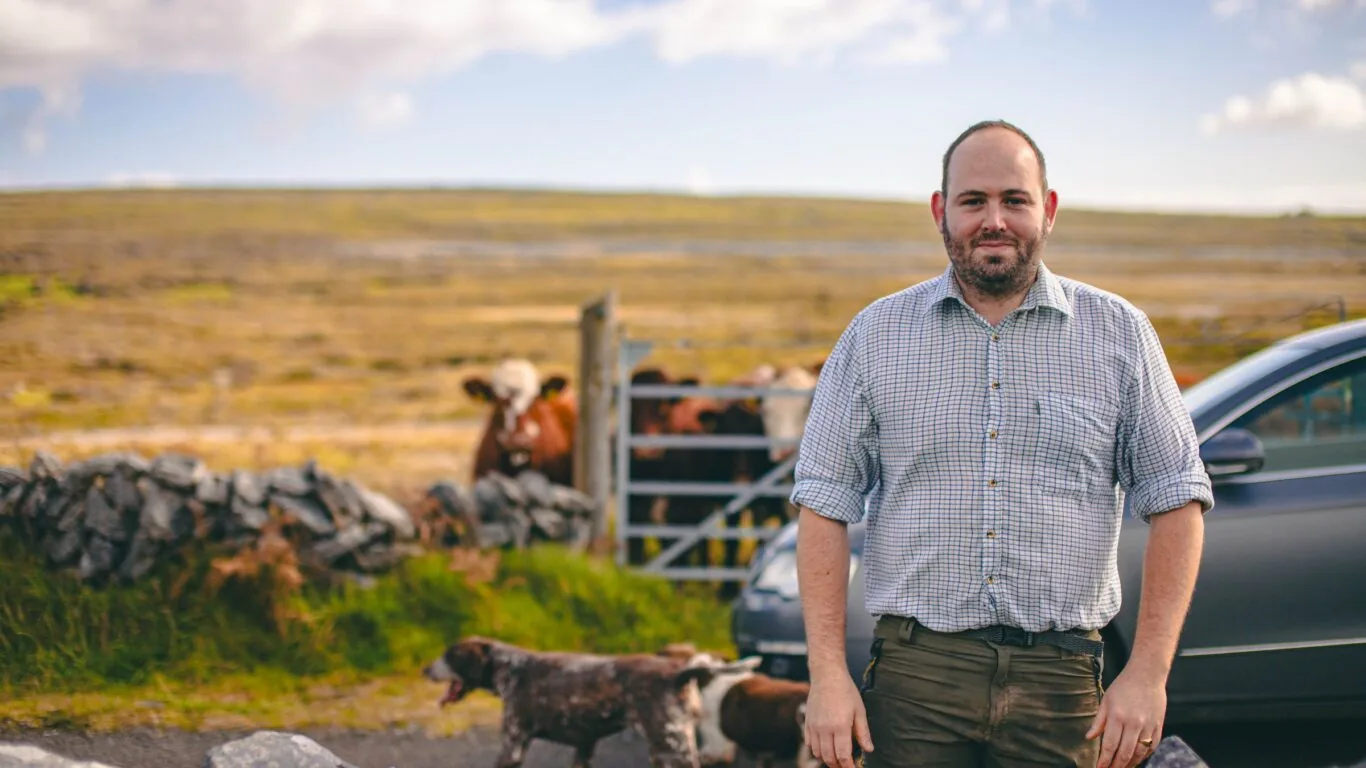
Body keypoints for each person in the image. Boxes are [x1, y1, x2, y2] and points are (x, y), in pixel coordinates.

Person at [791, 119, 1213, 768]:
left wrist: (1149, 674)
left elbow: (1178, 500)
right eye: (972, 201)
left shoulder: (1120, 335)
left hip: (1063, 683)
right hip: (916, 679)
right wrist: (827, 678)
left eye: (1014, 200)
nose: (994, 220)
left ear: (1047, 210)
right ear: (941, 212)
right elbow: (823, 501)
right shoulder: (874, 337)